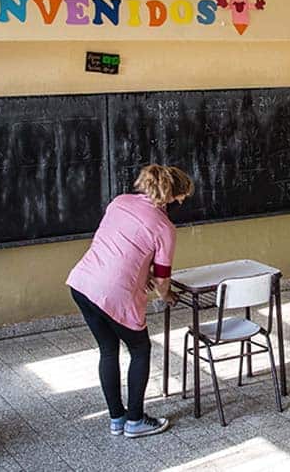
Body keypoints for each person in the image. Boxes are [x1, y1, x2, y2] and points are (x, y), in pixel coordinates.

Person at [66, 164, 193, 438]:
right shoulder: (165, 227)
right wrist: (167, 295)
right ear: (175, 195)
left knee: (108, 350)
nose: (184, 202)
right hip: (115, 292)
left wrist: (142, 271)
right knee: (140, 349)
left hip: (82, 283)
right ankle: (135, 420)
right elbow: (162, 280)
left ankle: (116, 419)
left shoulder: (119, 202)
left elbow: (121, 245)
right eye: (183, 197)